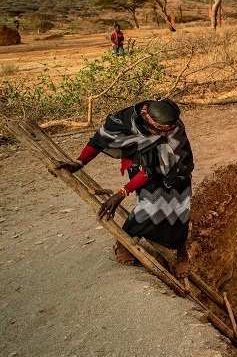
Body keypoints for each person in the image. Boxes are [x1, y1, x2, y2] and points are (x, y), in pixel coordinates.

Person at [57, 99, 193, 270]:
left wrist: (121, 194)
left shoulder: (172, 126)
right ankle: (124, 244)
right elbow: (99, 140)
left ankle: (180, 250)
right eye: (158, 129)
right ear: (145, 115)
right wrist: (79, 162)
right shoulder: (121, 121)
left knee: (180, 206)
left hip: (176, 171)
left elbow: (179, 155)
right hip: (140, 164)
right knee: (150, 204)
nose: (163, 133)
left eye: (167, 129)